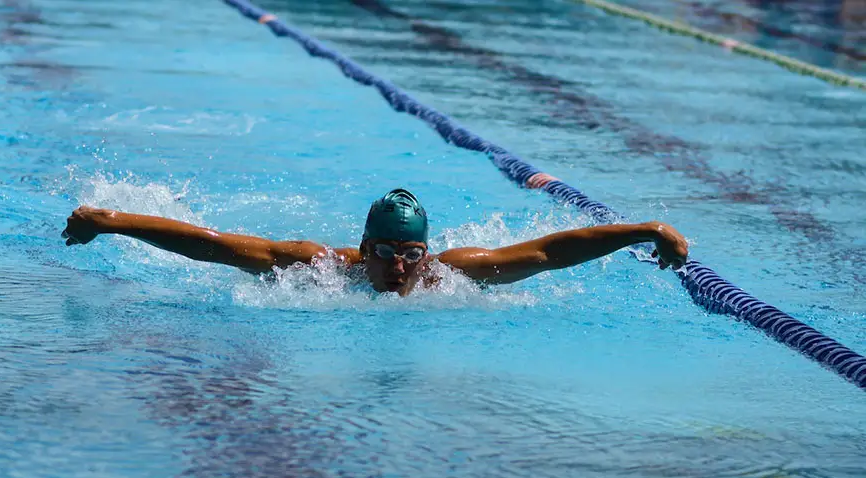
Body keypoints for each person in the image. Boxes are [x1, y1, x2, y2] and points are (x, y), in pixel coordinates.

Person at [61, 188, 689, 296]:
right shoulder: (318, 271)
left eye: (410, 255)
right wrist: (112, 221)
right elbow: (214, 244)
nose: (398, 267)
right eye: (385, 253)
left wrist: (645, 228)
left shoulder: (450, 276)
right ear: (364, 251)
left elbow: (550, 252)